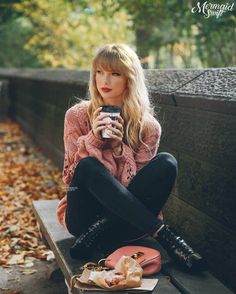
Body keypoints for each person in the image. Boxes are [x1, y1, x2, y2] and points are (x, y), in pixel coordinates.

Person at [56, 44, 207, 272]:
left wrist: (119, 150)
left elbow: (134, 192)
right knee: (87, 166)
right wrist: (94, 140)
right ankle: (165, 234)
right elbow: (71, 176)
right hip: (82, 221)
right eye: (99, 72)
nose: (104, 80)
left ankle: (100, 231)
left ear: (129, 79)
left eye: (115, 73)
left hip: (128, 226)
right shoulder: (77, 116)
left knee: (167, 162)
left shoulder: (148, 127)